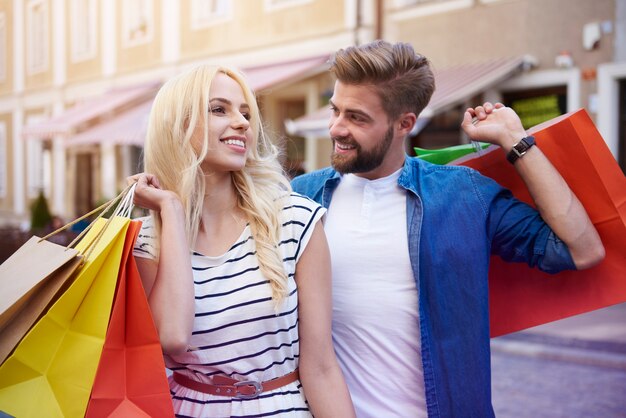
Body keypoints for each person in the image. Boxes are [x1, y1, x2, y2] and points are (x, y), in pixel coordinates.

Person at [291, 40, 605, 418]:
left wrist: (516, 142)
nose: (336, 128)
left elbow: (582, 249)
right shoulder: (301, 196)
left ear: (405, 123)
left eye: (357, 118)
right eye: (335, 110)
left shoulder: (463, 193)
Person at [128, 64, 355, 418]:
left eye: (246, 113)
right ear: (177, 126)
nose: (243, 122)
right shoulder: (147, 240)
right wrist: (170, 209)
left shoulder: (294, 219)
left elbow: (322, 366)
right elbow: (172, 336)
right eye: (220, 109)